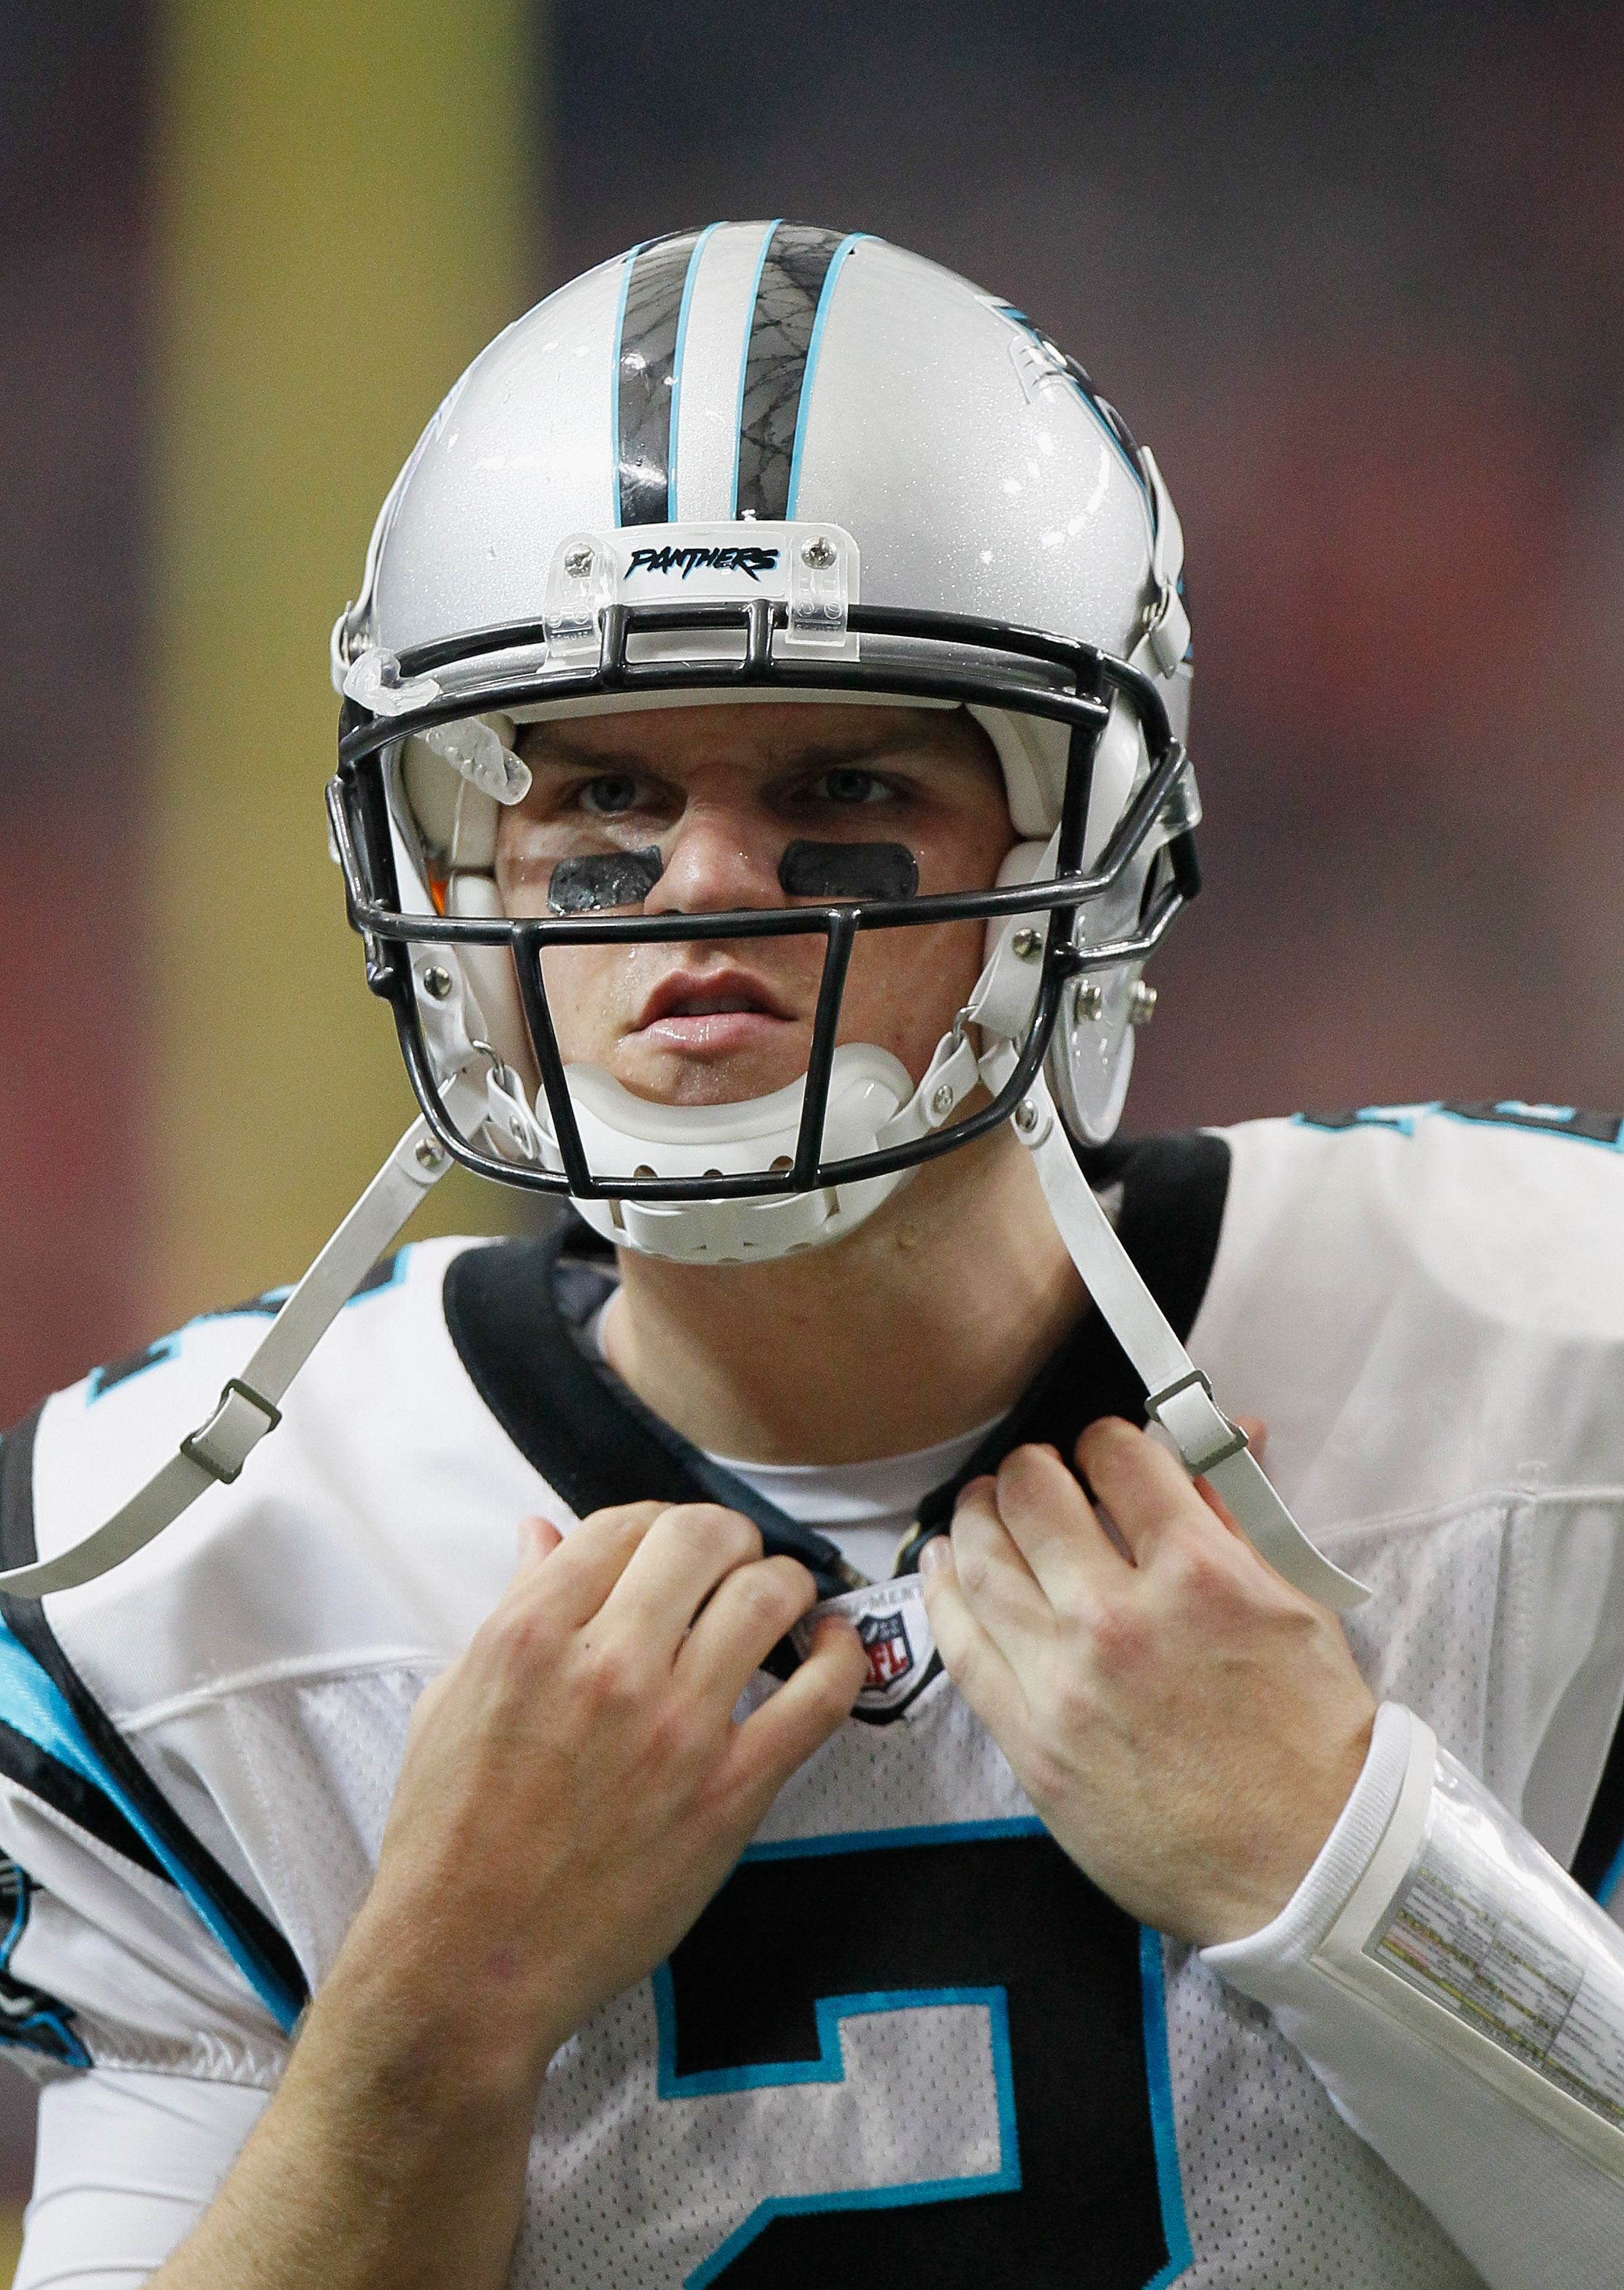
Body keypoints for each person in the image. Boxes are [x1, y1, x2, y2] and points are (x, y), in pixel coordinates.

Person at [1, 221, 1623, 2290]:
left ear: (1085, 842)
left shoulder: (1557, 1366)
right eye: (598, 792)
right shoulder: (200, 1596)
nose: (701, 892)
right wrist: (427, 2022)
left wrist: (1360, 1873)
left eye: (842, 784)